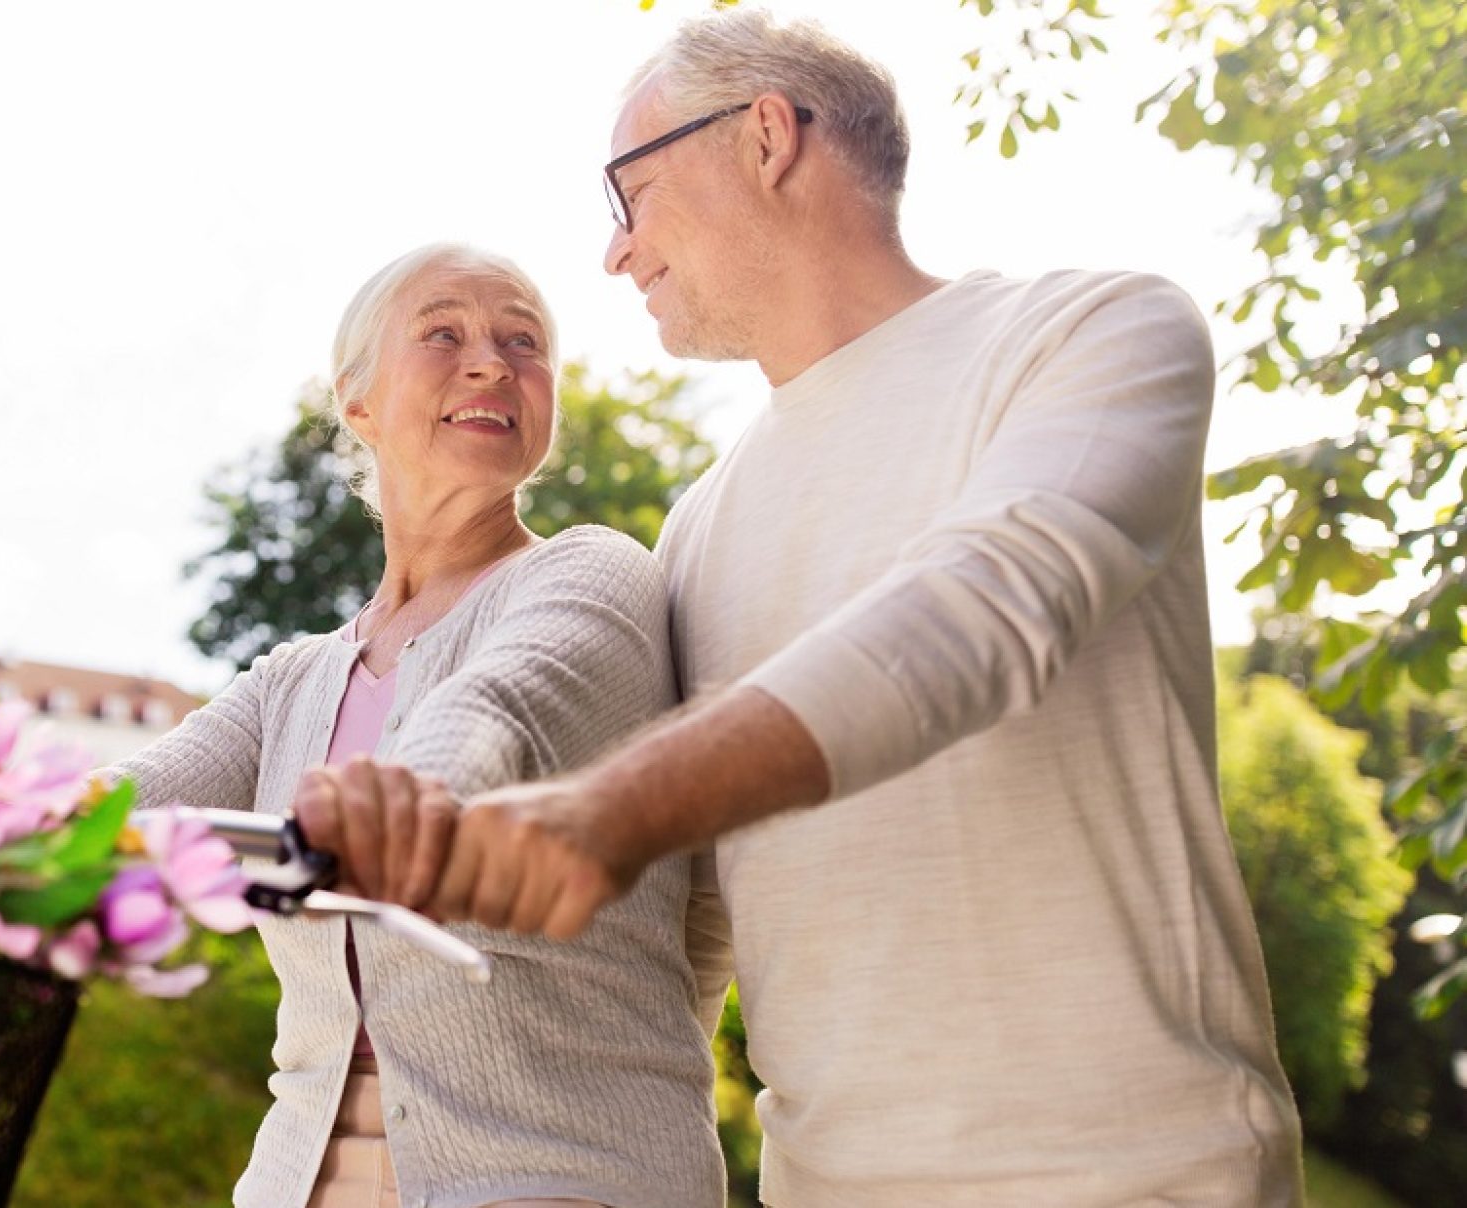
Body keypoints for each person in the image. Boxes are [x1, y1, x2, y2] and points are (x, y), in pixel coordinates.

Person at [304, 11, 1305, 1205]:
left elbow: (986, 608)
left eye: (630, 192)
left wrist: (604, 806)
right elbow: (700, 925)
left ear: (766, 136)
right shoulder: (701, 526)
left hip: (1133, 1169)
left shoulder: (1085, 332)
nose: (615, 254)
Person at [113, 243, 727, 1208]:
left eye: (523, 341)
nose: (491, 362)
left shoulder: (590, 573)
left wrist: (408, 795)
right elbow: (120, 806)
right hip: (298, 1180)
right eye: (444, 333)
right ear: (356, 402)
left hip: (558, 1174)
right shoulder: (293, 680)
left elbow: (503, 707)